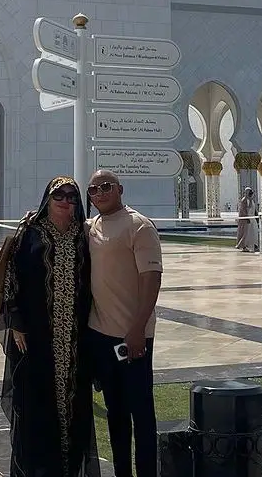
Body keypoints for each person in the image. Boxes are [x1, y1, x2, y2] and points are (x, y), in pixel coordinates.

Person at [0, 177, 99, 477]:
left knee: (73, 409)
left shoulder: (83, 236)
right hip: (37, 338)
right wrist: (15, 323)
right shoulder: (31, 232)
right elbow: (13, 277)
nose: (66, 202)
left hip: (76, 340)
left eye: (72, 197)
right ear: (47, 200)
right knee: (36, 408)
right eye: (59, 196)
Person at [86, 169, 162, 477]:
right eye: (93, 190)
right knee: (115, 413)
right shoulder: (91, 227)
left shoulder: (138, 226)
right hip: (101, 338)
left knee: (141, 414)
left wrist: (138, 329)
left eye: (106, 186)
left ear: (120, 189)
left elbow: (152, 278)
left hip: (131, 338)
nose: (100, 193)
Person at [236, 187, 258, 252]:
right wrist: (247, 218)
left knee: (254, 233)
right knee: (245, 234)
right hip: (246, 220)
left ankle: (254, 245)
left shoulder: (251, 200)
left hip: (252, 219)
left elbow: (253, 209)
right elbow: (243, 211)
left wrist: (256, 216)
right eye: (249, 192)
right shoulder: (244, 200)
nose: (251, 194)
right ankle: (242, 246)